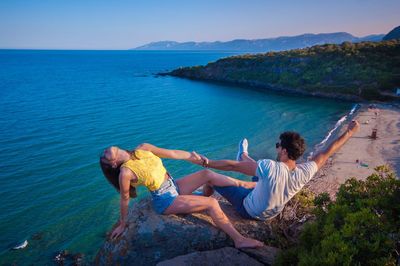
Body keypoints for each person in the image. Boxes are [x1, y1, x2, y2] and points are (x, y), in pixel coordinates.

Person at [99, 143, 263, 248]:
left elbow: (173, 153)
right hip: (165, 200)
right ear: (113, 164)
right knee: (211, 203)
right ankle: (239, 240)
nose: (104, 152)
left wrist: (194, 158)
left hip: (174, 186)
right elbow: (124, 199)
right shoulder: (125, 173)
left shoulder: (143, 148)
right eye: (104, 158)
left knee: (207, 173)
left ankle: (245, 184)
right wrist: (122, 223)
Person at [195, 120, 360, 221]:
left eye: (278, 146)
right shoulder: (305, 171)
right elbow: (325, 153)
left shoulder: (271, 167)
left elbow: (232, 166)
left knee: (210, 179)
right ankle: (243, 155)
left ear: (284, 151)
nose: (277, 148)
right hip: (271, 214)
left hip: (249, 210)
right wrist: (350, 132)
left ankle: (202, 199)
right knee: (261, 174)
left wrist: (208, 163)